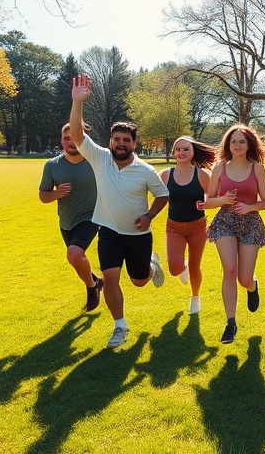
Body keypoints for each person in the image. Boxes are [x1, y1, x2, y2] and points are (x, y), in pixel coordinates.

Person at [69, 74, 169, 349]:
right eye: (117, 138)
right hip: (109, 232)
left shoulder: (146, 171)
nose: (120, 143)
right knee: (110, 278)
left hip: (138, 236)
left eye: (126, 139)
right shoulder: (100, 157)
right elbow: (77, 135)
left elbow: (163, 195)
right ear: (111, 140)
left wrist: (148, 216)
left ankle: (151, 264)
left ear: (134, 144)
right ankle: (119, 326)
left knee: (138, 282)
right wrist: (77, 102)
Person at [201, 124, 265, 344]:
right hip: (225, 221)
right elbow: (208, 201)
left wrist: (249, 207)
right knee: (229, 269)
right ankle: (230, 323)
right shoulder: (220, 168)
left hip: (250, 222)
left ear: (249, 144)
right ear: (227, 145)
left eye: (242, 141)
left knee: (244, 278)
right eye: (233, 141)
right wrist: (223, 200)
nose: (238, 145)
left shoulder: (257, 168)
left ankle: (253, 286)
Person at [39, 123, 103, 312]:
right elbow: (43, 195)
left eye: (74, 137)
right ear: (61, 140)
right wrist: (56, 194)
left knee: (74, 254)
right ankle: (96, 281)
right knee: (76, 258)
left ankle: (92, 288)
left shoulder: (96, 161)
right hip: (66, 220)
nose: (70, 142)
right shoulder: (52, 165)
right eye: (66, 138)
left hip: (91, 217)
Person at [160, 137, 217, 315]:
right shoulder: (166, 175)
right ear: (174, 152)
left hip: (198, 227)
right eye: (178, 149)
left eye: (186, 149)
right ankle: (182, 265)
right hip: (174, 227)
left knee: (195, 266)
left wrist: (206, 204)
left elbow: (213, 197)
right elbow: (159, 197)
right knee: (174, 268)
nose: (181, 153)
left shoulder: (202, 175)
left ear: (193, 152)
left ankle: (195, 297)